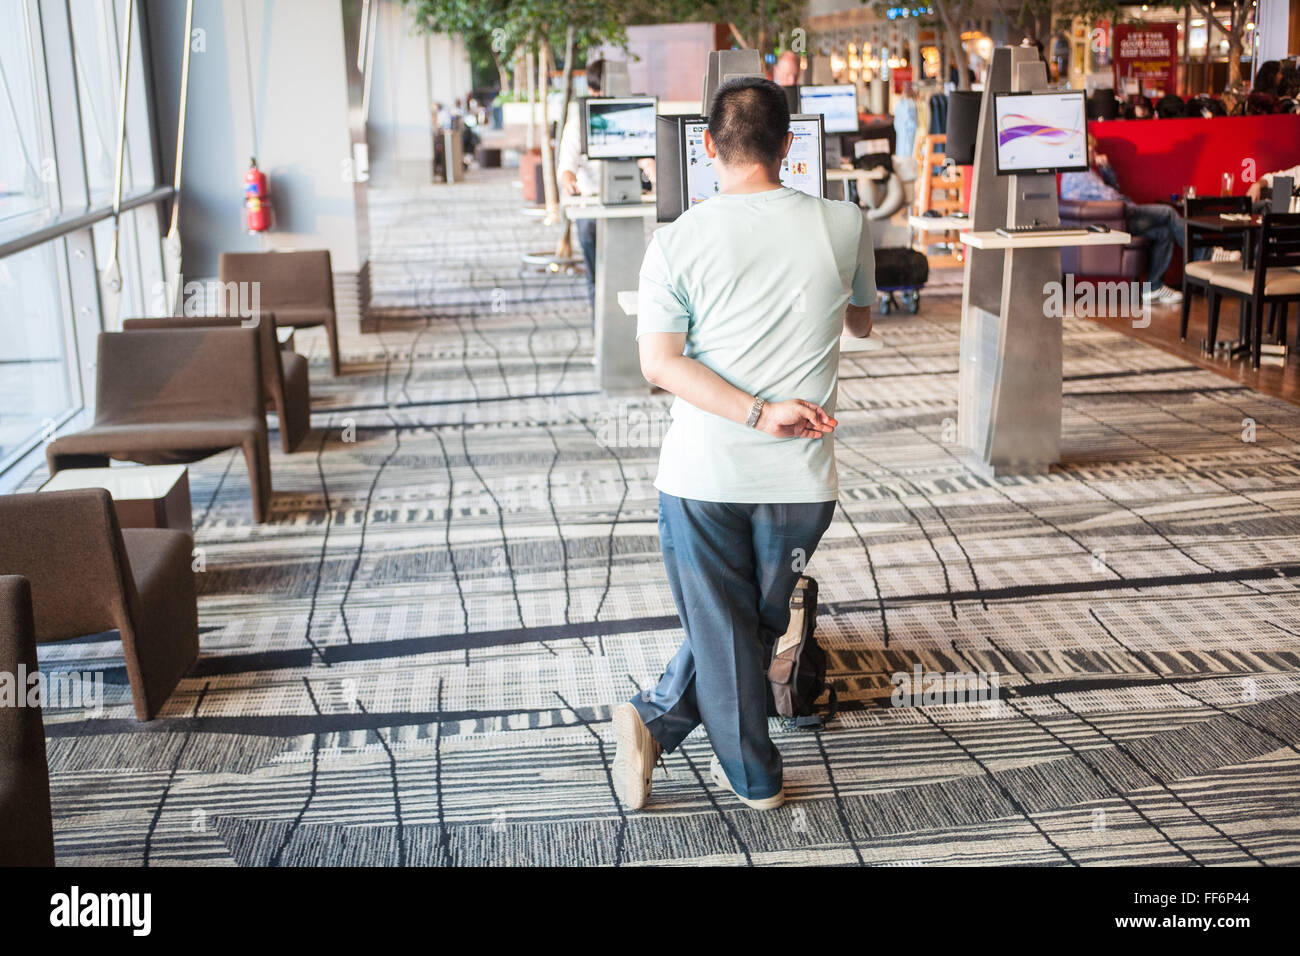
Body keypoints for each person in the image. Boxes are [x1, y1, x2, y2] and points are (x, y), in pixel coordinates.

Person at [609, 77, 876, 812]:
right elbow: (862, 322)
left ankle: (665, 726)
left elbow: (659, 363)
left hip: (703, 476)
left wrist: (755, 412)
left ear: (706, 148)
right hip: (802, 485)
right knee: (745, 627)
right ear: (791, 147)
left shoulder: (676, 240)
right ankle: (736, 761)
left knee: (734, 631)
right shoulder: (845, 222)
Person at [1060, 134, 1185, 303]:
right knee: (1168, 213)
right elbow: (1114, 198)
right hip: (1110, 224)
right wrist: (1134, 207)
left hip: (1109, 220)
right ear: (1080, 152)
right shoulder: (1081, 176)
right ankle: (1204, 254)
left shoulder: (1079, 173)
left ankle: (1153, 288)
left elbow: (1112, 190)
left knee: (1163, 233)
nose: (1095, 154)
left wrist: (1106, 169)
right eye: (1091, 151)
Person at [558, 60, 607, 311]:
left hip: (620, 201)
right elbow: (567, 164)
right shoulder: (579, 117)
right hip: (590, 204)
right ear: (590, 90)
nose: (601, 98)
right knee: (596, 276)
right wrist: (569, 183)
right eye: (597, 93)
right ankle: (599, 333)